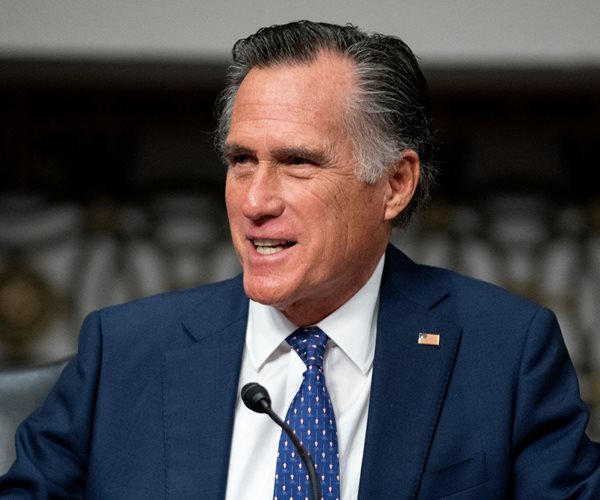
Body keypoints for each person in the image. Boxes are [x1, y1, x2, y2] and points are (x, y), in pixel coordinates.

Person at [1, 20, 599, 499]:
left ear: (395, 184)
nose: (255, 202)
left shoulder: (505, 353)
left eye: (298, 163)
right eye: (241, 161)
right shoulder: (123, 352)